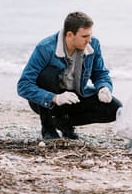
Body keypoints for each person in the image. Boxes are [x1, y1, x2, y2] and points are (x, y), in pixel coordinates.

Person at [17, 11, 122, 140]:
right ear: (70, 35)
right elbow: (23, 86)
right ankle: (48, 127)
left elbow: (100, 73)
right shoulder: (45, 47)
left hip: (75, 97)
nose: (89, 40)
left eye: (90, 35)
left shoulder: (93, 44)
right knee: (46, 75)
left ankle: (64, 123)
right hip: (47, 101)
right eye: (84, 36)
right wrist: (55, 98)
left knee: (115, 109)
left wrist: (104, 87)